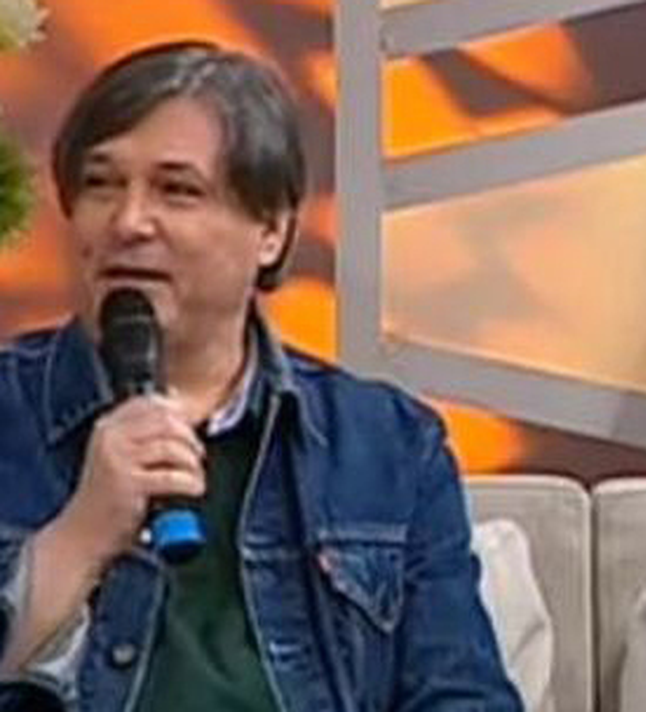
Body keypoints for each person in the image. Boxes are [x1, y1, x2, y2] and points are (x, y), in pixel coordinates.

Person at [0, 41, 523, 711]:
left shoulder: (388, 445)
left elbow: (462, 696)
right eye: (101, 184)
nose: (127, 222)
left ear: (271, 230)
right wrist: (78, 538)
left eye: (177, 190)